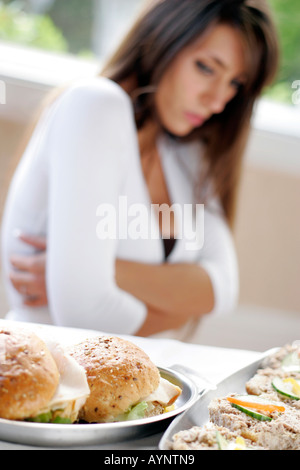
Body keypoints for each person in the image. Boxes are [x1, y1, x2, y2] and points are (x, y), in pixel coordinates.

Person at [1, 0, 279, 341]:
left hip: (131, 384)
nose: (218, 100)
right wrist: (177, 307)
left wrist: (104, 272)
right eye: (206, 68)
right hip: (49, 379)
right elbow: (84, 317)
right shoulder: (95, 105)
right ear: (163, 40)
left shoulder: (186, 154)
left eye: (235, 84)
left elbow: (221, 288)